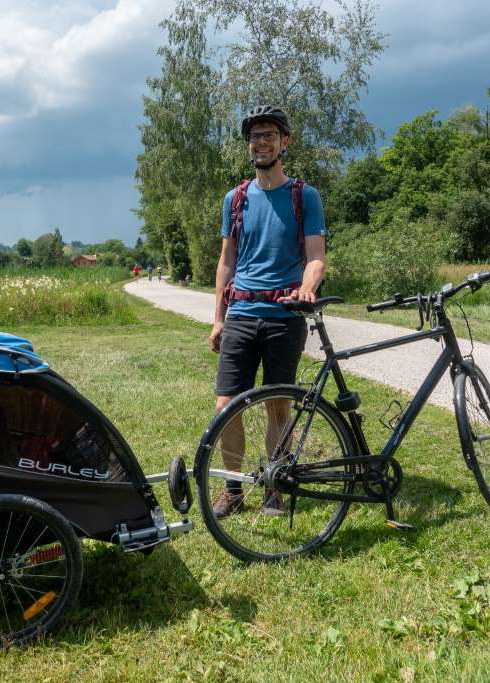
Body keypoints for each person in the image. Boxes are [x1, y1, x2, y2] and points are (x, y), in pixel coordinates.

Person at [208, 105, 326, 519]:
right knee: (227, 406)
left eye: (269, 135)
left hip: (283, 317)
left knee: (278, 406)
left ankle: (274, 486)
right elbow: (226, 261)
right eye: (255, 136)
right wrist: (218, 317)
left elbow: (316, 257)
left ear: (284, 143)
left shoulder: (304, 196)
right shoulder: (235, 199)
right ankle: (233, 489)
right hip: (240, 314)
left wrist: (307, 289)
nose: (260, 142)